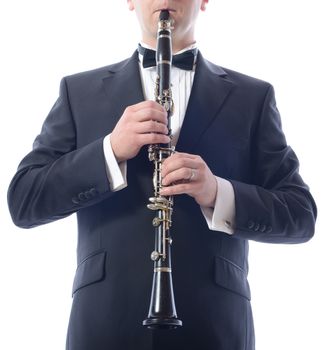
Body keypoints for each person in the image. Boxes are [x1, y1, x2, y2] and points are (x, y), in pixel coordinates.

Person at [7, 1, 317, 349]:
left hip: (214, 324)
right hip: (105, 321)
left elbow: (300, 215)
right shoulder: (77, 91)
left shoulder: (254, 97)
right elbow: (24, 201)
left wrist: (217, 192)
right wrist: (109, 150)